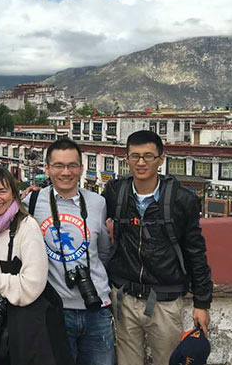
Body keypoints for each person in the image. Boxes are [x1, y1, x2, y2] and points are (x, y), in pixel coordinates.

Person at [102, 130, 213, 365]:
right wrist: (39, 196)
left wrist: (202, 303)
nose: (141, 163)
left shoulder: (182, 200)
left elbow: (195, 251)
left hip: (165, 300)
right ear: (127, 158)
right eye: (135, 156)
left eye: (148, 156)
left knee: (168, 361)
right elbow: (86, 210)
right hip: (125, 297)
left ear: (161, 159)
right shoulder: (116, 193)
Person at [0, 167, 72, 365]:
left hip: (26, 329)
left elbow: (33, 285)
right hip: (3, 325)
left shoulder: (27, 227)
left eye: (3, 191)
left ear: (14, 194)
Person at [23, 138, 114, 365]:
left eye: (72, 165)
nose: (66, 172)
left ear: (81, 168)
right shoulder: (31, 202)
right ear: (47, 168)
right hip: (55, 310)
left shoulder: (97, 203)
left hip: (97, 309)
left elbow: (102, 253)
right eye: (58, 166)